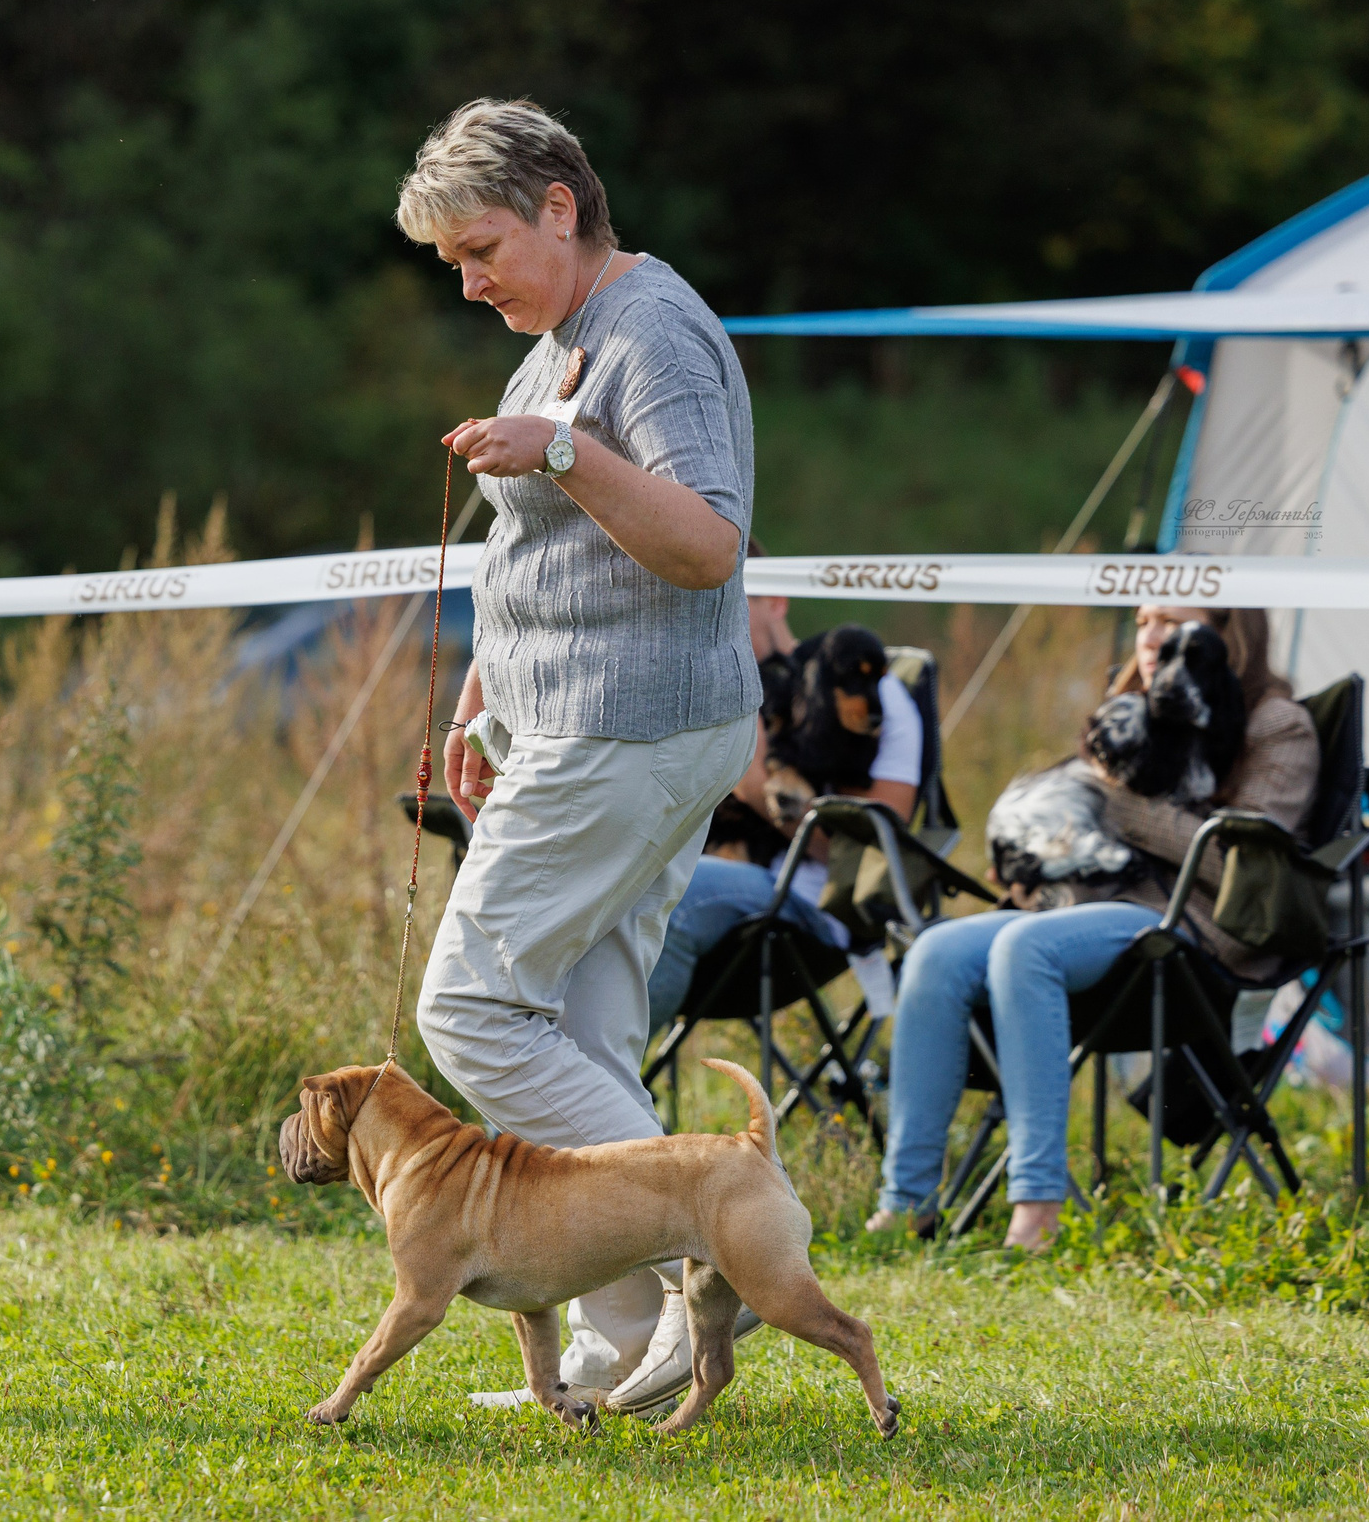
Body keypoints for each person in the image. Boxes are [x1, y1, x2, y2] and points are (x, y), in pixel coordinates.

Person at [396, 99, 761, 1417]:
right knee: (590, 1021)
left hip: (627, 729)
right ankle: (625, 1352)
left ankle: (692, 1245)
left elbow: (709, 545)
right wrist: (485, 696)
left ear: (561, 206)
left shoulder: (649, 333)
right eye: (451, 264)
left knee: (476, 1011)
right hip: (593, 723)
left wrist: (560, 446)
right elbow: (546, 548)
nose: (469, 279)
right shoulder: (564, 335)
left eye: (481, 248)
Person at [870, 604, 1318, 1250]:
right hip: (1086, 908)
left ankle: (1038, 1204)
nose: (1152, 637)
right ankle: (905, 1202)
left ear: (1229, 632)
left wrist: (1122, 805)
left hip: (1184, 933)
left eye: (1172, 620)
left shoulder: (1278, 726)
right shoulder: (1126, 706)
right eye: (1143, 621)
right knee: (936, 950)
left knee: (1026, 947)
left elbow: (1247, 868)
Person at [650, 620, 923, 1039]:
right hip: (747, 877)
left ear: (775, 604)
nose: (722, 615)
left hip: (808, 902)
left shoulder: (877, 695)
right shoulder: (766, 684)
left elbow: (877, 845)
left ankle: (605, 1082)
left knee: (663, 889)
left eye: (742, 600)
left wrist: (752, 776)